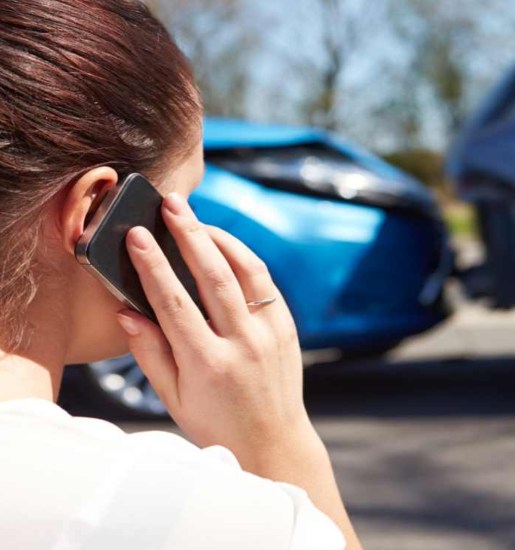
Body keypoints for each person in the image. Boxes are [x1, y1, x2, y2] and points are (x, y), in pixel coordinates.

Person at [0, 1, 362, 548]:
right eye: (181, 201)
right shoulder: (171, 510)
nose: (190, 231)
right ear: (97, 209)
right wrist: (280, 442)